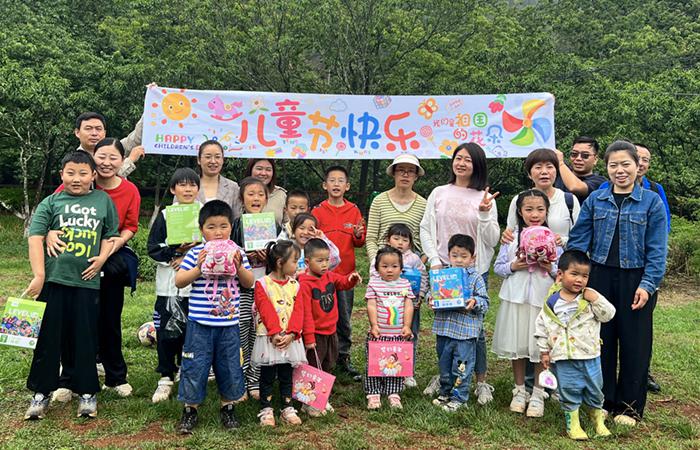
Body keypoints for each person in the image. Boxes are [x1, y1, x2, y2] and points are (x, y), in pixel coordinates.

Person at [567, 140, 668, 427]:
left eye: (626, 164)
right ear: (607, 168)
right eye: (614, 165)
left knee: (635, 343)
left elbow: (657, 249)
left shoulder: (651, 202)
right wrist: (573, 274)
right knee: (602, 341)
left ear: (638, 166)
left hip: (637, 279)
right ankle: (603, 401)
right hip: (600, 277)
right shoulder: (596, 200)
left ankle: (629, 407)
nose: (620, 170)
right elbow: (578, 240)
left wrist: (648, 284)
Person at [23, 151, 119, 420]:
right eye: (70, 173)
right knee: (48, 338)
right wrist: (39, 275)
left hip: (87, 282)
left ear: (93, 176)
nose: (76, 179)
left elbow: (110, 234)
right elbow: (35, 237)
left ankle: (87, 392)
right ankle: (41, 393)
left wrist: (102, 257)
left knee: (85, 338)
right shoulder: (51, 202)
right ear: (61, 175)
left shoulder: (103, 200)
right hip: (54, 281)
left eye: (83, 173)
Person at [50, 138, 141, 400]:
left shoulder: (130, 190)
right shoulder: (77, 181)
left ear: (122, 161)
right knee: (73, 320)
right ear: (93, 157)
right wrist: (50, 233)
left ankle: (116, 376)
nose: (107, 163)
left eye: (113, 158)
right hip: (74, 259)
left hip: (110, 258)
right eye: (102, 156)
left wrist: (112, 247)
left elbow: (130, 226)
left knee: (109, 320)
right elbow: (53, 212)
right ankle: (68, 379)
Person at [420, 142, 499, 404]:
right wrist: (435, 260)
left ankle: (481, 381)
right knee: (445, 328)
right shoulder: (439, 192)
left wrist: (484, 214)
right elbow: (426, 228)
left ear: (477, 165)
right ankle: (446, 377)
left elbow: (492, 239)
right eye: (458, 158)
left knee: (474, 328)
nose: (461, 163)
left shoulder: (483, 197)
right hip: (444, 269)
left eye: (468, 160)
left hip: (473, 270)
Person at [174, 200, 254, 434]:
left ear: (231, 227)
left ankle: (228, 407)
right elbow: (179, 281)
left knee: (230, 366)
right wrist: (198, 268)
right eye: (211, 227)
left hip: (228, 324)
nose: (218, 232)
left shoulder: (238, 252)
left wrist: (239, 267)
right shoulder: (196, 253)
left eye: (223, 226)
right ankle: (190, 410)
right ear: (201, 230)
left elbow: (249, 283)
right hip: (199, 324)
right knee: (195, 365)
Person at [493, 190, 562, 418]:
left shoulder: (553, 239)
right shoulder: (511, 237)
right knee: (518, 345)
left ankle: (538, 393)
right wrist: (514, 266)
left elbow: (561, 274)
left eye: (540, 209)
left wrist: (549, 267)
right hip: (516, 298)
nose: (534, 214)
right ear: (520, 212)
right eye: (529, 209)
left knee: (541, 347)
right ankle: (519, 390)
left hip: (542, 301)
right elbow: (499, 268)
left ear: (547, 212)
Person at [534, 250, 615, 440]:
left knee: (595, 388)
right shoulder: (552, 302)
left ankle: (597, 418)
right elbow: (542, 327)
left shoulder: (588, 299)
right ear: (560, 274)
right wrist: (544, 351)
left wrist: (596, 298)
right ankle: (573, 422)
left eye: (585, 276)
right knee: (569, 389)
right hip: (564, 356)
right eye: (574, 274)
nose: (579, 280)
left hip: (589, 355)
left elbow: (608, 314)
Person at [146, 168, 201, 403]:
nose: (188, 189)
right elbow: (153, 247)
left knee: (193, 332)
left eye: (192, 185)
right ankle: (166, 375)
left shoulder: (204, 213)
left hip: (197, 287)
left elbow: (212, 245)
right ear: (172, 189)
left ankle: (187, 371)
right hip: (169, 285)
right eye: (182, 185)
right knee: (167, 332)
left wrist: (189, 256)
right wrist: (175, 252)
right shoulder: (165, 215)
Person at [312, 165, 366, 382]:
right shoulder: (317, 212)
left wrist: (359, 235)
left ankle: (343, 356)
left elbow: (358, 243)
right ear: (324, 185)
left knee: (344, 317)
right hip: (321, 276)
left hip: (344, 275)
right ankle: (323, 358)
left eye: (340, 180)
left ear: (347, 186)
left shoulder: (353, 210)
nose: (336, 184)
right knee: (322, 317)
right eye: (332, 180)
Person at [298, 238, 361, 417]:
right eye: (320, 261)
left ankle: (320, 397)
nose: (325, 264)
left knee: (327, 364)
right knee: (313, 367)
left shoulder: (329, 276)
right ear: (308, 261)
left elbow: (342, 283)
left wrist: (351, 279)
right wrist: (309, 337)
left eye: (327, 260)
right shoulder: (304, 283)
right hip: (315, 333)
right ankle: (308, 402)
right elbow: (306, 314)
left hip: (331, 330)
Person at [230, 176, 280, 400]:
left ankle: (255, 380)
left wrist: (269, 257)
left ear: (267, 199)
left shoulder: (274, 225)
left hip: (265, 288)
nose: (256, 198)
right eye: (250, 194)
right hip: (242, 288)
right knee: (241, 332)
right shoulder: (236, 225)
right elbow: (230, 252)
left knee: (260, 333)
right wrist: (244, 256)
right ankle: (238, 381)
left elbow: (281, 260)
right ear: (242, 199)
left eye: (261, 194)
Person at [429, 234, 489, 412]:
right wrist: (431, 299)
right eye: (454, 255)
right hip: (444, 329)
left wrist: (474, 302)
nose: (459, 260)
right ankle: (445, 392)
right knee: (444, 364)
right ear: (448, 256)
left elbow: (485, 302)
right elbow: (431, 294)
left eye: (464, 256)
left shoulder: (475, 278)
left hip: (465, 333)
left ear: (472, 258)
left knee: (462, 367)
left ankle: (459, 397)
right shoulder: (443, 276)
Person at [253, 240, 309, 426]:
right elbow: (265, 309)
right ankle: (266, 408)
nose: (297, 265)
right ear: (279, 262)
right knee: (267, 374)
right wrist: (275, 333)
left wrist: (292, 333)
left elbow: (299, 310)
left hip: (290, 338)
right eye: (294, 261)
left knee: (287, 373)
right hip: (270, 338)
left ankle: (287, 406)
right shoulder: (262, 284)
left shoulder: (295, 285)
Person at [369, 224, 428, 388]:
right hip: (384, 306)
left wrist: (420, 295)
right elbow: (373, 275)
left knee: (409, 335)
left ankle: (407, 371)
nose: (400, 243)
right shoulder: (380, 256)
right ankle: (381, 368)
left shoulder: (414, 259)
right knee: (382, 336)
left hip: (409, 305)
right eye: (396, 238)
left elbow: (423, 276)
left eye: (405, 240)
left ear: (410, 243)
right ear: (388, 240)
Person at [364, 246, 414, 410]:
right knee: (374, 363)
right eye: (385, 266)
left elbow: (408, 305)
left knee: (396, 363)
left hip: (398, 334)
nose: (390, 270)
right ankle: (373, 392)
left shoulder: (405, 284)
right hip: (379, 333)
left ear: (401, 268)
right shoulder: (374, 284)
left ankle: (393, 392)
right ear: (377, 268)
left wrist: (407, 326)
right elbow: (371, 305)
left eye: (394, 266)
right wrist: (374, 325)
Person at [503, 148, 580, 246]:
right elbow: (510, 236)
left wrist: (563, 240)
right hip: (527, 256)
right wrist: (506, 237)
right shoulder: (519, 200)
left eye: (549, 167)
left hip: (563, 255)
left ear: (556, 171)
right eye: (538, 167)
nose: (544, 172)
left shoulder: (569, 200)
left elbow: (580, 237)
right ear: (529, 174)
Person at [366, 154, 427, 263]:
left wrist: (419, 265)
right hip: (382, 260)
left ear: (416, 176)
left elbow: (427, 239)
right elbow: (371, 238)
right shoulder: (379, 201)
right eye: (401, 170)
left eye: (411, 171)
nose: (405, 175)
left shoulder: (424, 204)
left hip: (412, 262)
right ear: (393, 173)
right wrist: (377, 263)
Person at [73, 111, 145, 178]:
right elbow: (104, 181)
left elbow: (136, 138)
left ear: (104, 133)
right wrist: (130, 160)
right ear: (77, 132)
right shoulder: (75, 160)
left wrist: (148, 111)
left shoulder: (115, 148)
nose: (94, 133)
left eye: (98, 129)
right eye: (88, 129)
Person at [554, 136, 608, 204]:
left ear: (595, 159)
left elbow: (574, 187)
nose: (578, 158)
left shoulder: (600, 182)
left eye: (585, 155)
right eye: (574, 154)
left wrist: (561, 163)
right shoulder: (559, 171)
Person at [196, 140, 242, 219]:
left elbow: (237, 220)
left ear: (223, 160)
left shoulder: (233, 187)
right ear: (199, 160)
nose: (213, 161)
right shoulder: (187, 186)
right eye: (208, 157)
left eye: (217, 157)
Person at [245, 158, 286, 225]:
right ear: (250, 170)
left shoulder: (280, 194)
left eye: (268, 170)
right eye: (259, 169)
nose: (263, 173)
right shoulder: (238, 192)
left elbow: (288, 224)